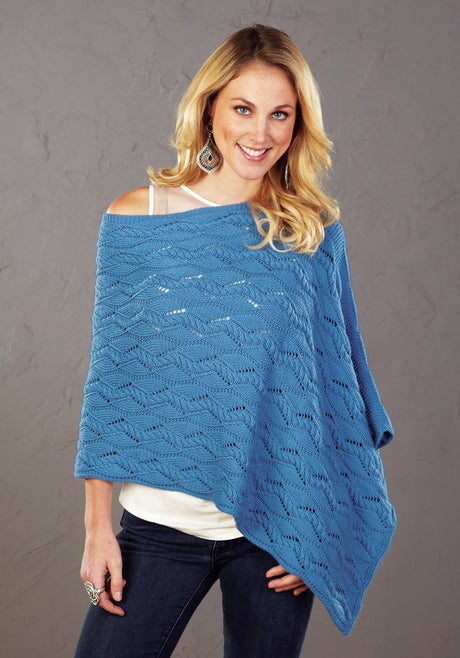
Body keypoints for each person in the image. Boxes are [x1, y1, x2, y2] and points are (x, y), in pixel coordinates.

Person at [74, 24, 396, 657]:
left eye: (281, 114)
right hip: (159, 525)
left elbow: (334, 392)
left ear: (298, 124)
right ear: (210, 109)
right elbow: (113, 383)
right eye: (243, 109)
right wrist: (96, 528)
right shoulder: (141, 218)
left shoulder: (312, 231)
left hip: (276, 534)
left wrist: (318, 527)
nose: (261, 133)